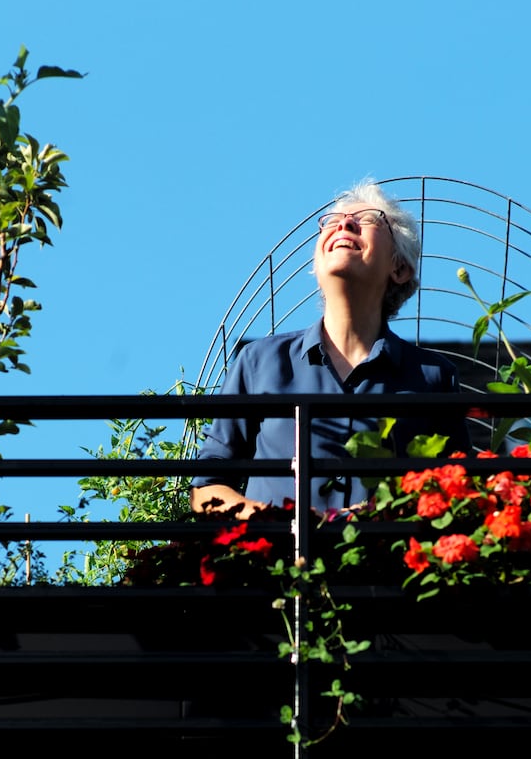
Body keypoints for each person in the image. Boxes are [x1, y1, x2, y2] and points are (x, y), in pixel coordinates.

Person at [191, 180, 472, 517]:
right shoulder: (259, 362)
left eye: (368, 219)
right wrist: (278, 525)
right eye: (332, 221)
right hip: (276, 566)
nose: (344, 223)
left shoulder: (433, 378)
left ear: (399, 268)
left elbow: (458, 494)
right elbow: (207, 487)